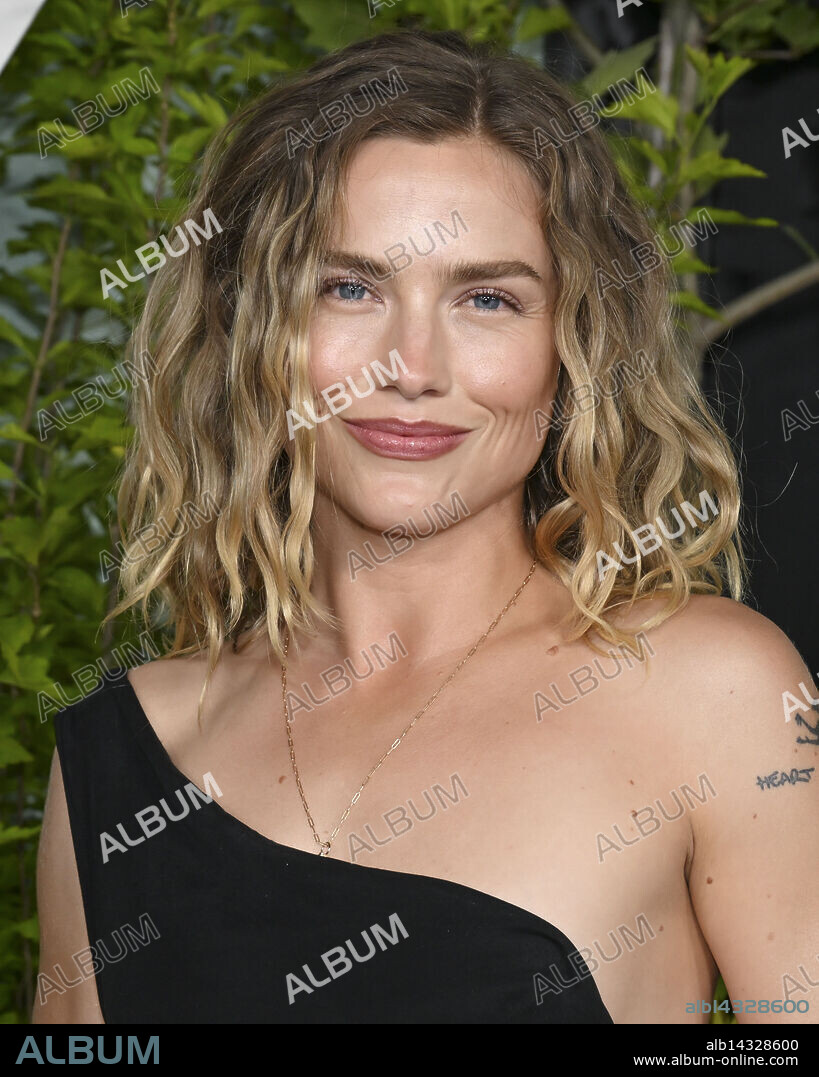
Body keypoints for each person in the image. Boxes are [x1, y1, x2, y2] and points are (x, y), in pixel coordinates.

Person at [34, 29, 818, 1024]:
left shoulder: (712, 693)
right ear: (250, 328)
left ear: (569, 346)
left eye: (487, 298)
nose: (411, 365)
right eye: (348, 287)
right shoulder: (126, 758)